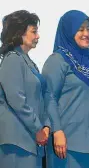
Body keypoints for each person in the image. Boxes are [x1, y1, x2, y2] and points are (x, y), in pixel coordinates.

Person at [42, 10, 89, 168]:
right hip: (68, 145)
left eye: (88, 28)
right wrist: (57, 131)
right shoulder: (57, 61)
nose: (86, 33)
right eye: (80, 29)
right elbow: (48, 98)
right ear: (69, 31)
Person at [0, 10, 50, 168]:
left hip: (29, 141)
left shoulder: (27, 60)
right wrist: (38, 128)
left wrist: (46, 126)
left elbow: (39, 98)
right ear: (19, 33)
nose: (38, 36)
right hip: (17, 143)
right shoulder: (12, 59)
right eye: (34, 32)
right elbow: (17, 100)